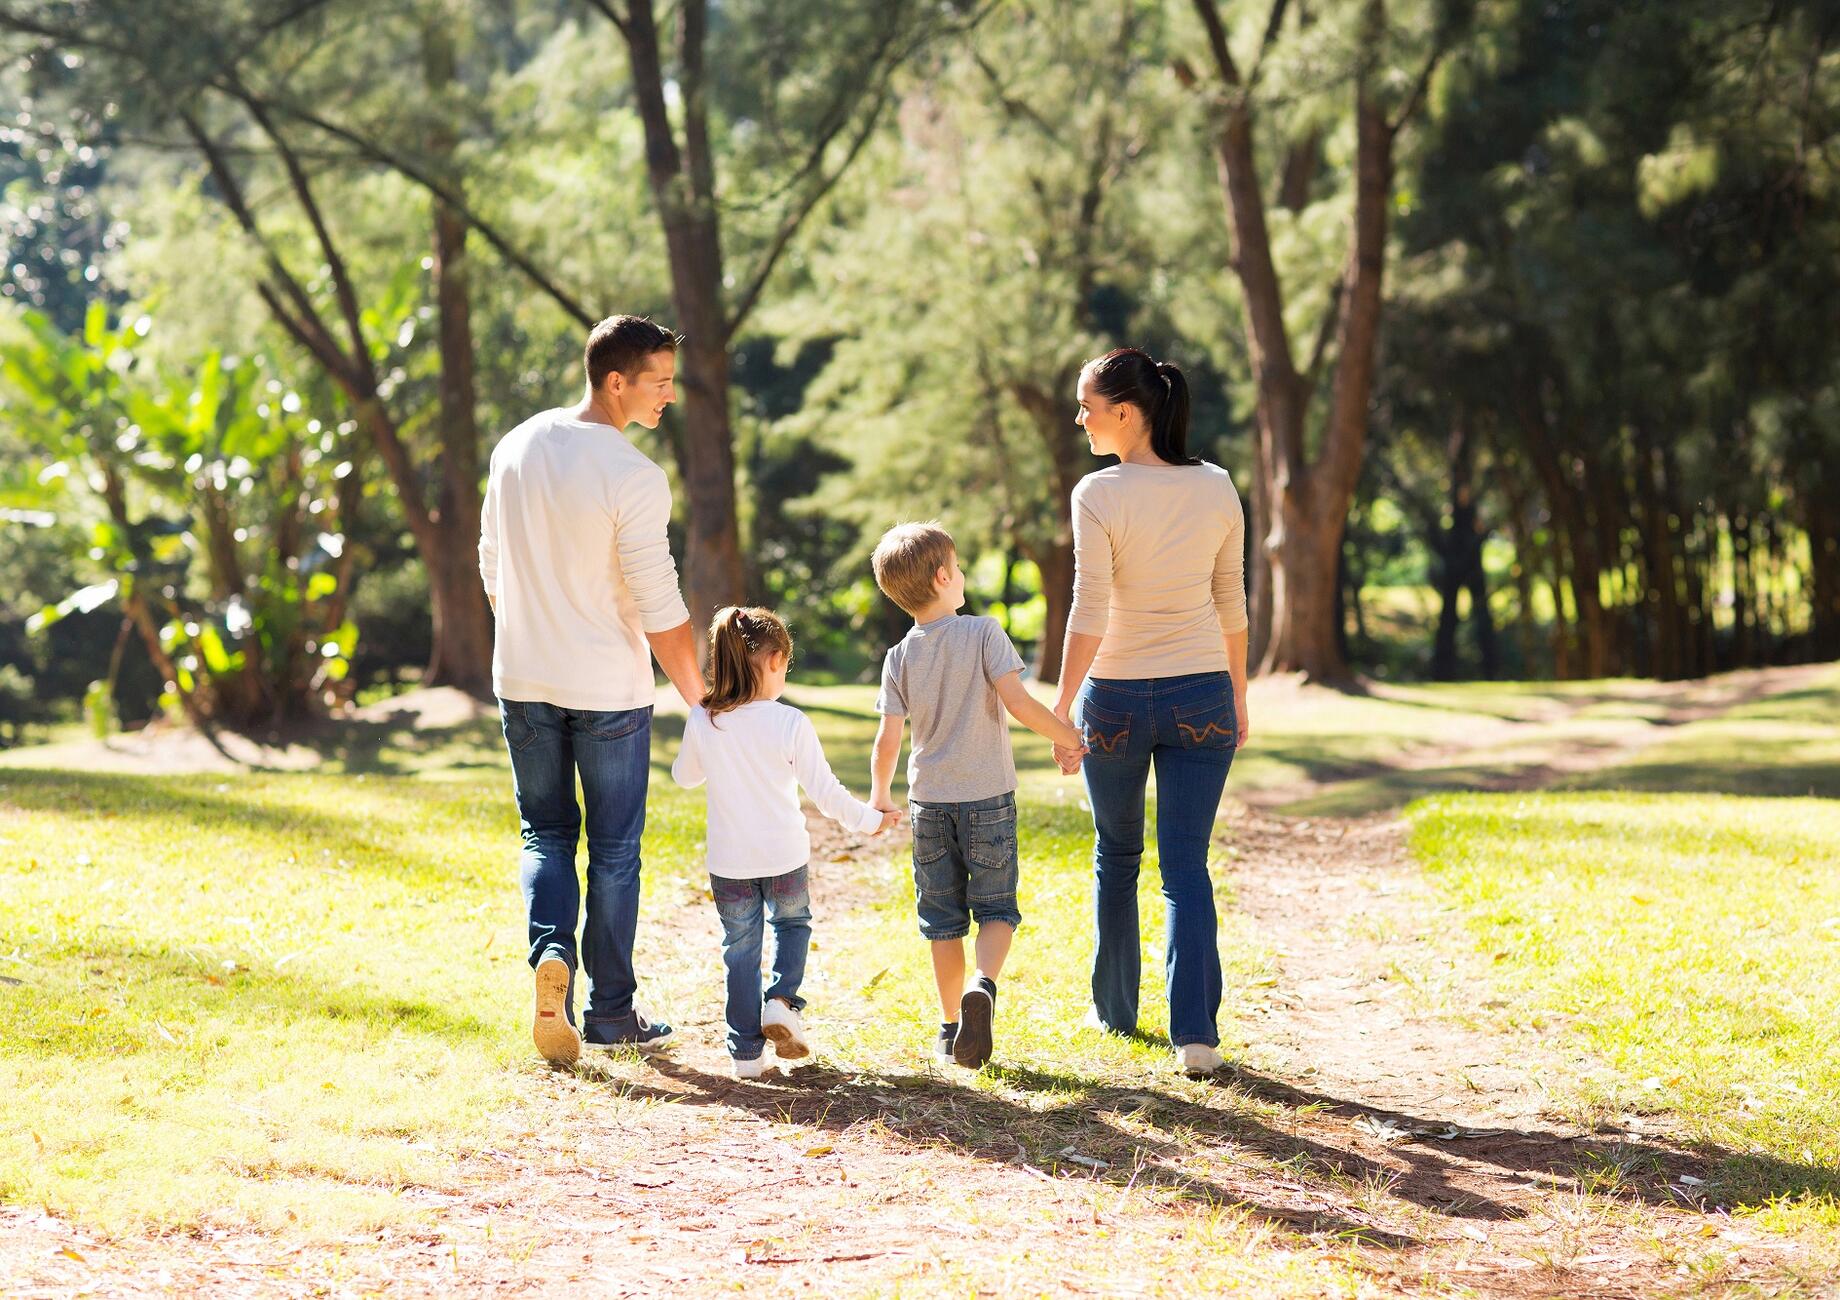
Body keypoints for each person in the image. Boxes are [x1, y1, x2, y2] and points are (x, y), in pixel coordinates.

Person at [479, 314, 705, 1067]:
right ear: (617, 381)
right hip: (608, 688)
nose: (670, 395)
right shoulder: (632, 474)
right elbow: (658, 602)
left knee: (545, 835)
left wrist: (529, 633)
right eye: (660, 381)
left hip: (523, 678)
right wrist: (701, 699)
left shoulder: (515, 446)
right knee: (613, 850)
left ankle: (553, 960)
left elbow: (491, 564)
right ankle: (610, 1014)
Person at [1049, 347, 1251, 1077]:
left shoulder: (1099, 494)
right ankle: (1195, 1036)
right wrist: (1240, 692)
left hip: (1120, 700)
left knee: (1118, 857)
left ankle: (1115, 1012)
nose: (1080, 418)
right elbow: (1231, 597)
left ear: (1126, 413)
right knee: (1186, 866)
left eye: (1087, 406)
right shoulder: (1220, 487)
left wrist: (1062, 704)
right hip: (1203, 695)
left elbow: (1090, 607)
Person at [869, 522, 1086, 1069]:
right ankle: (983, 987)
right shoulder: (985, 632)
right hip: (988, 799)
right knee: (996, 908)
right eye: (960, 566)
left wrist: (879, 795)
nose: (963, 574)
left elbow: (888, 738)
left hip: (929, 805)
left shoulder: (898, 657)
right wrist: (1069, 738)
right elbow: (1019, 703)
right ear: (943, 577)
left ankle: (948, 1030)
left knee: (942, 921)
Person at [671, 607, 898, 1079]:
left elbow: (684, 777)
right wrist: (869, 822)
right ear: (774, 660)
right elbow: (827, 792)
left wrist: (704, 735)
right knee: (792, 925)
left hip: (730, 861)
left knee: (740, 948)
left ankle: (746, 1054)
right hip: (784, 857)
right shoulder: (790, 722)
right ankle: (780, 1002)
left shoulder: (704, 719)